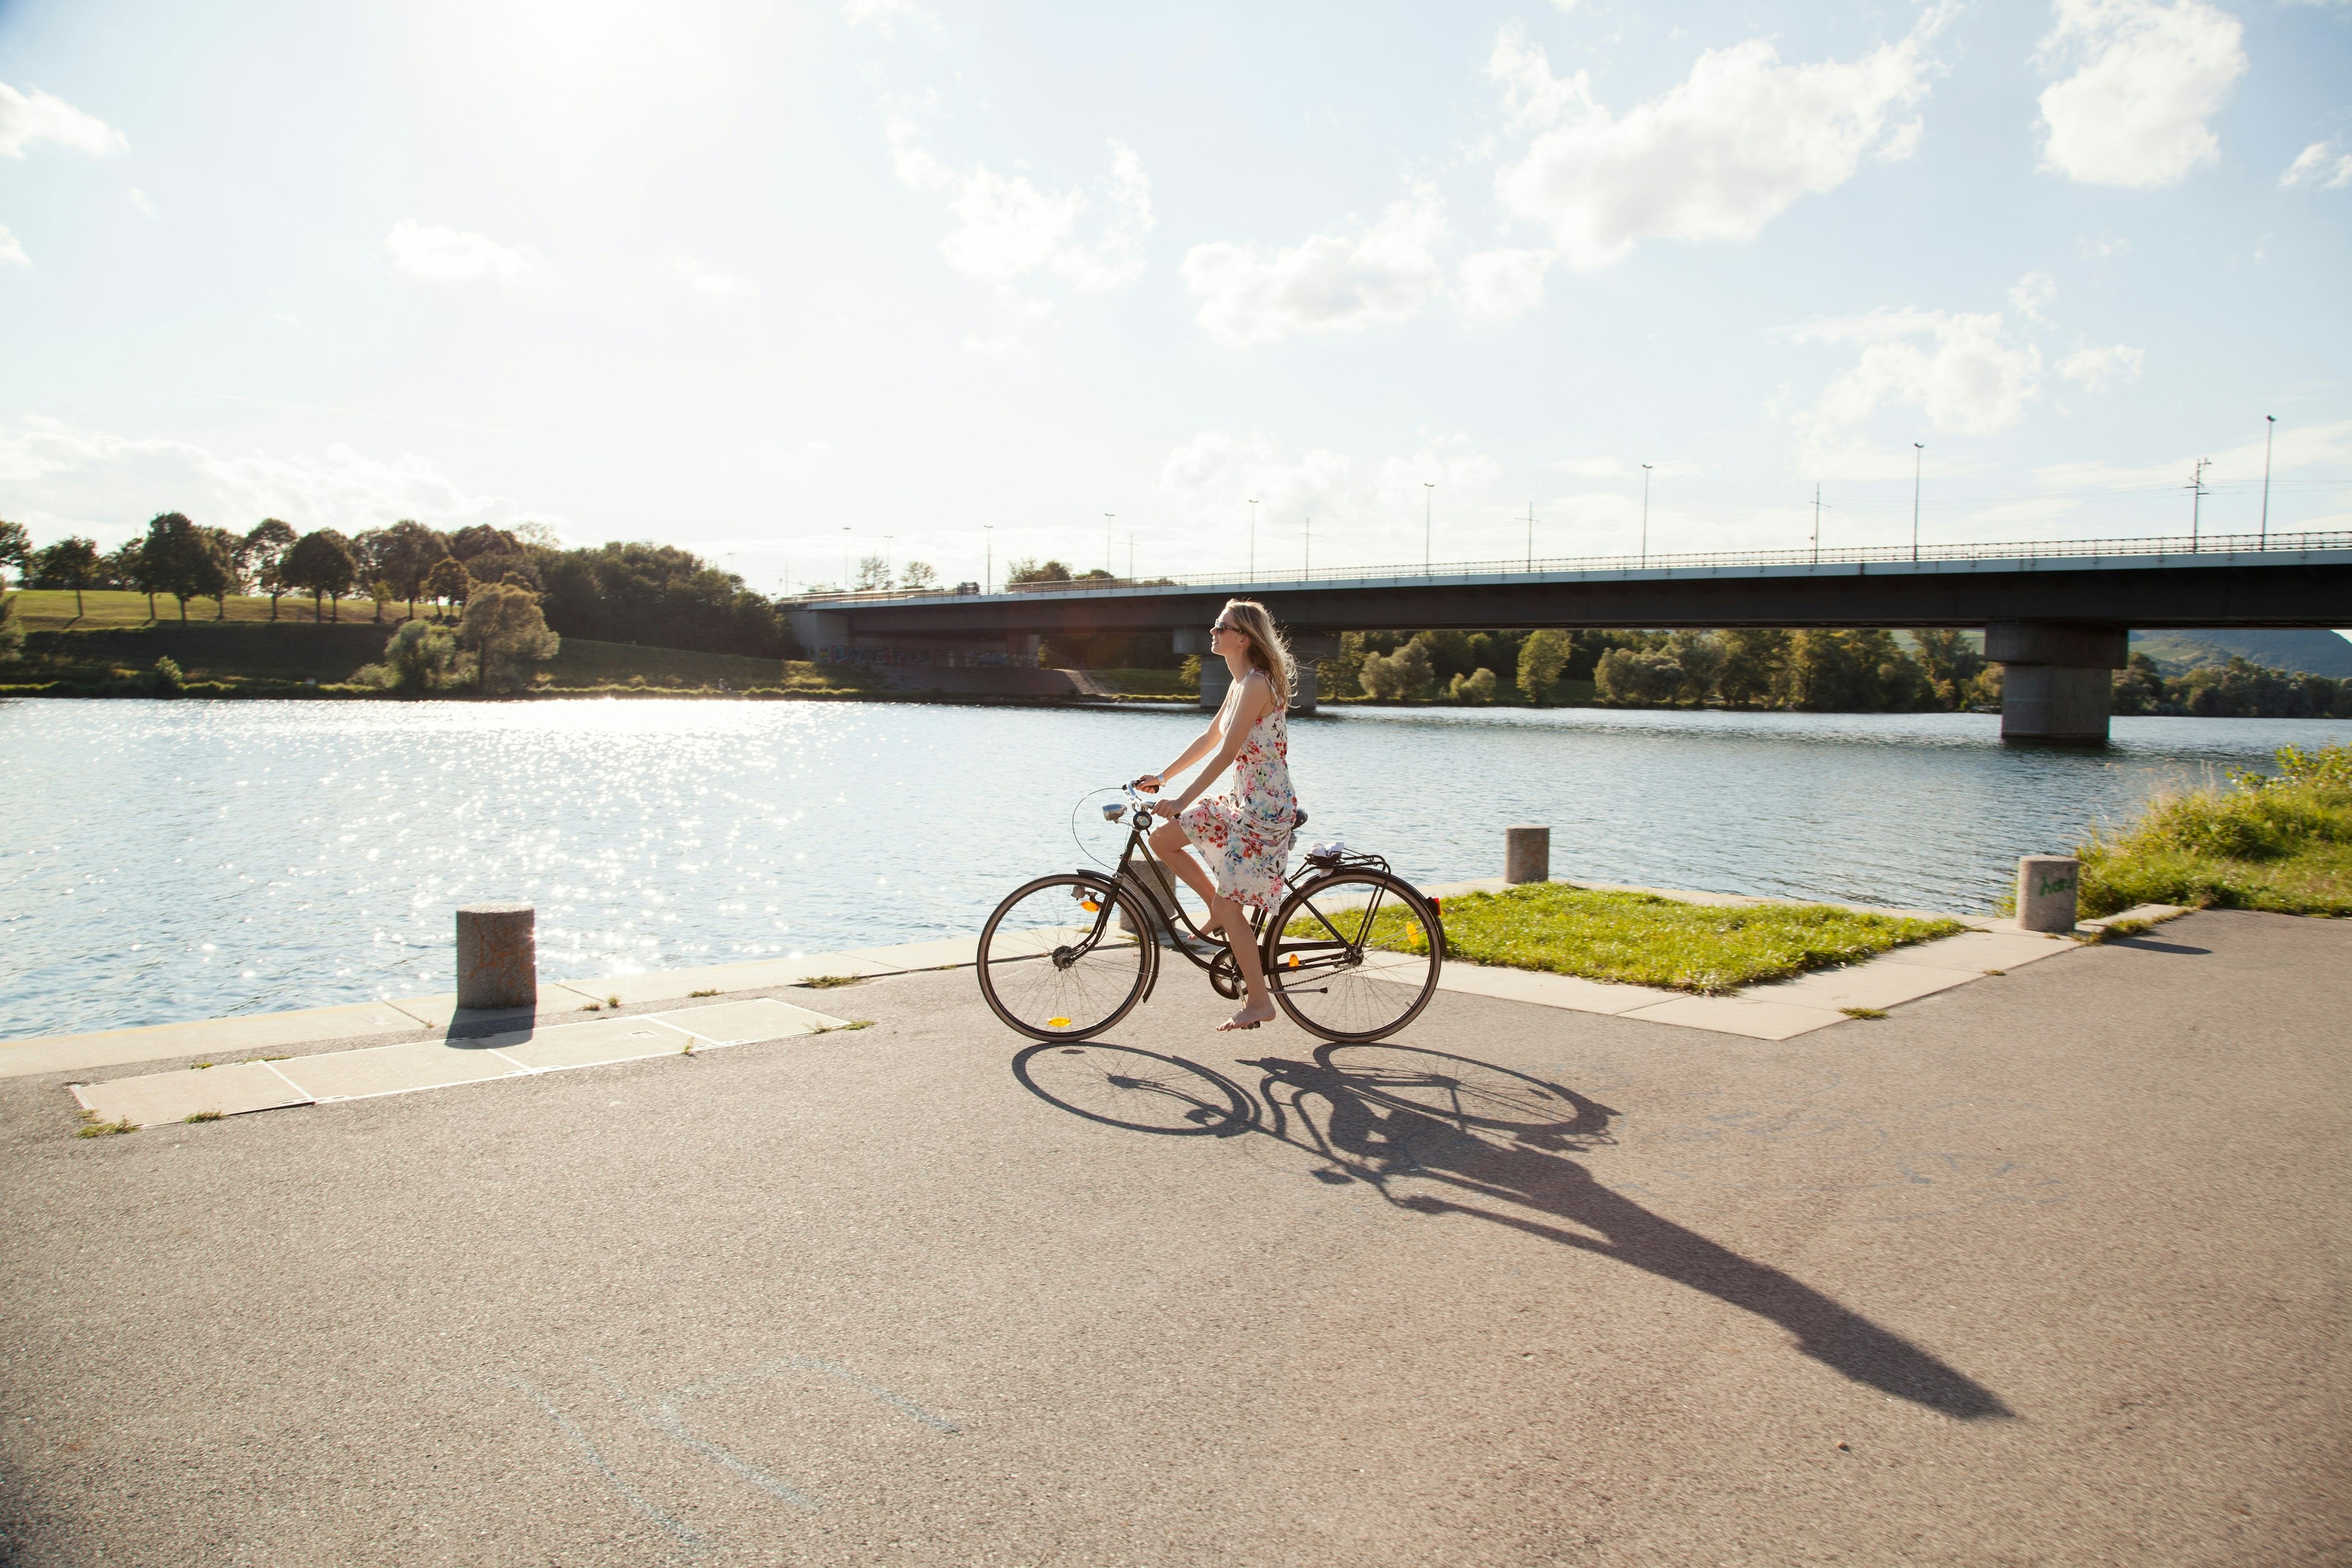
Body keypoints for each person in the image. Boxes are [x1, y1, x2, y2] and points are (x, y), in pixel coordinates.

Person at [1137, 599, 1300, 1032]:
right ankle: (1220, 907)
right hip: (1243, 802)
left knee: (1231, 908)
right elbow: (1211, 738)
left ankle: (1260, 1003)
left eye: (1220, 627)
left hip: (1265, 811)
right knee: (1164, 840)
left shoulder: (1258, 685)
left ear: (1242, 636)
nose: (1212, 632)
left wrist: (1182, 800)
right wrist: (1163, 777)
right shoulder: (1239, 684)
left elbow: (1229, 753)